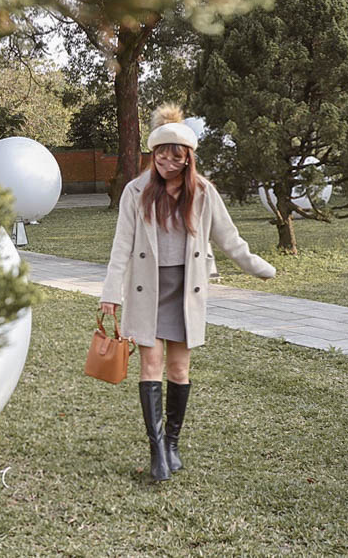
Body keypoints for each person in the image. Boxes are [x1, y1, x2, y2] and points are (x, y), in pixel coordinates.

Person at [99, 104, 276, 482]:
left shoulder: (203, 192)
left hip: (186, 289)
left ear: (187, 158)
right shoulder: (135, 191)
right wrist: (110, 294)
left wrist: (257, 267)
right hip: (148, 288)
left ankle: (172, 444)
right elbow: (121, 248)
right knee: (150, 366)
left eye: (174, 155)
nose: (166, 161)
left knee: (179, 369)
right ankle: (156, 453)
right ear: (153, 153)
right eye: (160, 153)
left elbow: (230, 239)